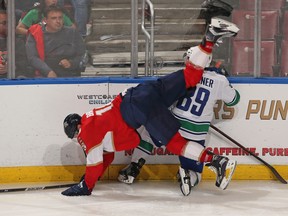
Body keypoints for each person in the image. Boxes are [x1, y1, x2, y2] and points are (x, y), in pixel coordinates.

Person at [60, 17, 239, 196]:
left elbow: (95, 161)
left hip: (138, 106)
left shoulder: (86, 131)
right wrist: (91, 177)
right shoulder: (92, 118)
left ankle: (217, 161)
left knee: (175, 144)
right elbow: (106, 157)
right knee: (190, 76)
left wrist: (85, 186)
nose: (78, 139)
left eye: (75, 136)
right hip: (142, 92)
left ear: (77, 129)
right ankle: (210, 38)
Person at [118, 60, 240, 196]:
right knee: (197, 173)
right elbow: (234, 100)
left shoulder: (185, 75)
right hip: (196, 133)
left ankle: (134, 167)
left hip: (174, 125)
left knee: (148, 132)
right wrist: (223, 81)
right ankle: (188, 176)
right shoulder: (219, 80)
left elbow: (169, 97)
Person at [25, 5, 86, 77]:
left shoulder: (73, 33)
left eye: (60, 18)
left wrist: (71, 63)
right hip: (44, 74)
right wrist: (47, 71)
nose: (58, 21)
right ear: (45, 20)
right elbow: (32, 58)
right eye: (54, 18)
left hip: (70, 74)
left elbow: (82, 55)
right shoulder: (35, 34)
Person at [0, 9, 7, 78]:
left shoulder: (18, 42)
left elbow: (23, 63)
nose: (7, 26)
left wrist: (10, 67)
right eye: (4, 23)